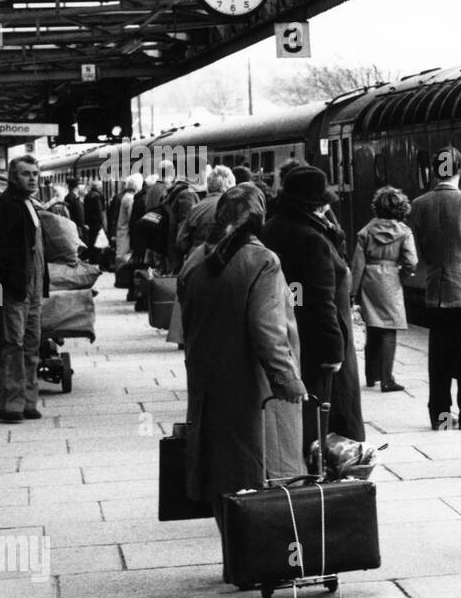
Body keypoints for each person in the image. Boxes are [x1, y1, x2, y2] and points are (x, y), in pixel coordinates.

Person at [178, 184, 307, 540]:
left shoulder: (195, 259)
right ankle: (262, 554)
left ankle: (235, 555)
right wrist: (288, 381)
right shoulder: (262, 261)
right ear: (259, 217)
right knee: (266, 468)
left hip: (208, 379)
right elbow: (268, 328)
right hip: (254, 387)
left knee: (223, 472)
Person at [261, 164, 365, 461]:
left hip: (290, 335)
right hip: (319, 342)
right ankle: (326, 469)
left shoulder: (272, 229)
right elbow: (322, 301)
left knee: (300, 414)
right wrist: (333, 352)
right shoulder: (313, 240)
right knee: (325, 415)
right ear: (314, 206)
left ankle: (298, 462)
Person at [407, 146, 461, 430]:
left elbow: (421, 248)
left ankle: (441, 416)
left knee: (439, 356)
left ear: (435, 171)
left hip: (435, 292)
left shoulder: (419, 204)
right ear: (460, 170)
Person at [0, 156, 50, 424]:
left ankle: (28, 402)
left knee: (32, 344)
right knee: (11, 345)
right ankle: (10, 405)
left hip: (31, 288)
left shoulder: (29, 205)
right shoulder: (5, 208)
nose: (32, 178)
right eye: (26, 174)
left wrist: (42, 287)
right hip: (12, 290)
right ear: (13, 177)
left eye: (35, 173)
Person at [351, 186, 418, 391]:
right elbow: (411, 261)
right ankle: (387, 379)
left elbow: (357, 264)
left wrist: (354, 292)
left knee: (373, 326)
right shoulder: (404, 232)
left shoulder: (366, 231)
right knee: (389, 330)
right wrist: (403, 275)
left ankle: (371, 376)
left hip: (370, 279)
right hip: (391, 278)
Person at [177, 166, 234, 260]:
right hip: (223, 261)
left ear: (209, 185)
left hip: (195, 260)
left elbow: (181, 242)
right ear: (230, 185)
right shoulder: (234, 207)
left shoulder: (196, 208)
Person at [163, 169, 201, 273]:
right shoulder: (187, 194)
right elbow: (184, 223)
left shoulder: (176, 192)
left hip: (172, 246)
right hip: (179, 250)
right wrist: (184, 249)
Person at [116, 173, 142, 265]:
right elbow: (132, 218)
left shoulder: (126, 196)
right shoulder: (130, 198)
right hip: (126, 235)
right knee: (124, 261)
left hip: (123, 233)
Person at [83, 179, 105, 255]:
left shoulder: (87, 195)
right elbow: (99, 210)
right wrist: (103, 223)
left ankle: (92, 257)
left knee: (91, 240)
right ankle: (96, 258)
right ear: (98, 187)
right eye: (101, 187)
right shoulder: (97, 196)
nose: (101, 188)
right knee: (97, 241)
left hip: (89, 222)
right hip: (96, 223)